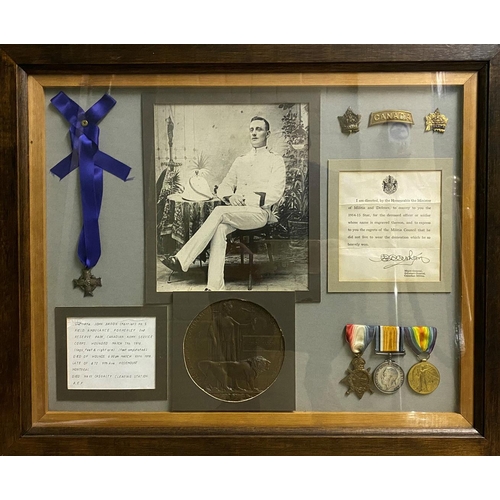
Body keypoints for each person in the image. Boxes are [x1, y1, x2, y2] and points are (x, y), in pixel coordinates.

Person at [163, 116, 286, 291]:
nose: (254, 133)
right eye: (251, 129)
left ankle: (183, 259)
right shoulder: (241, 160)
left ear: (268, 133)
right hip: (236, 211)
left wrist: (244, 199)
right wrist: (230, 197)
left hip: (259, 213)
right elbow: (223, 187)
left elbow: (276, 192)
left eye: (258, 129)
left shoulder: (276, 160)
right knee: (220, 229)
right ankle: (215, 287)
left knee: (220, 211)